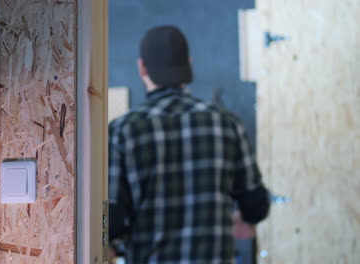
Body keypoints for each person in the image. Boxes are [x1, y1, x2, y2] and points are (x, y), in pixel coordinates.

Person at [108, 25, 270, 264]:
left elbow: (111, 219)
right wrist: (241, 219)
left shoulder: (122, 131)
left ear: (142, 67)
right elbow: (256, 206)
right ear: (189, 64)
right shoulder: (227, 124)